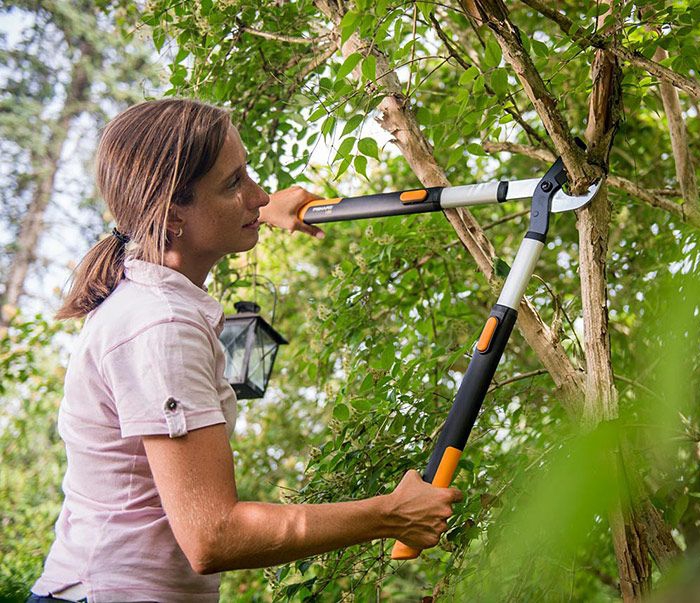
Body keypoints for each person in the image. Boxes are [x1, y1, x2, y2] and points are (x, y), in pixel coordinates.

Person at [29, 99, 462, 602]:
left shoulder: (144, 284)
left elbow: (205, 214)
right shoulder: (161, 327)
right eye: (235, 182)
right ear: (171, 216)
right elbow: (212, 535)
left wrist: (255, 209)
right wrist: (390, 515)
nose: (257, 194)